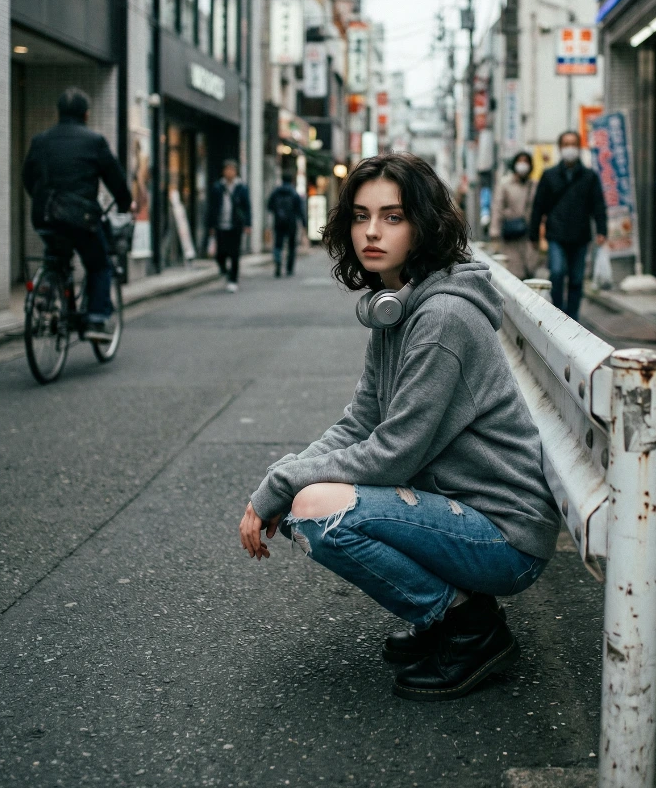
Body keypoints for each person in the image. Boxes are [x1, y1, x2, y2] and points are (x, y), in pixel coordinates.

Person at [240, 153, 560, 702]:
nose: (371, 231)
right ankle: (449, 617)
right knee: (307, 496)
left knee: (319, 512)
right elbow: (360, 420)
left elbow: (393, 454)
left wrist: (284, 484)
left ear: (423, 224)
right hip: (464, 508)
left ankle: (469, 625)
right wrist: (287, 474)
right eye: (361, 216)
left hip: (506, 535)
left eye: (392, 217)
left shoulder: (440, 319)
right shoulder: (399, 306)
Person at [22, 87, 134, 341]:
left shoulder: (40, 140)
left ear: (59, 112)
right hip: (80, 218)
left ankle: (48, 292)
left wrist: (42, 201)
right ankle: (96, 318)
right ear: (86, 115)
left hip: (45, 215)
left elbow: (28, 177)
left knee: (56, 255)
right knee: (99, 264)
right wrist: (125, 204)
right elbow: (115, 179)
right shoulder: (94, 142)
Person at [529, 130, 607, 322]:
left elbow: (598, 205)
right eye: (566, 144)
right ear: (560, 148)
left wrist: (602, 230)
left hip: (580, 235)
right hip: (556, 234)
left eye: (573, 144)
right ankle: (557, 313)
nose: (569, 148)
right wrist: (533, 233)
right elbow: (538, 206)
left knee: (577, 279)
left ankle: (572, 319)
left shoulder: (589, 176)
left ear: (578, 148)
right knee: (556, 272)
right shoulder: (549, 176)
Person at [489, 150, 539, 280]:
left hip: (529, 233)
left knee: (530, 266)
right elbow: (497, 208)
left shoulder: (534, 185)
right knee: (513, 269)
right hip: (510, 232)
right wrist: (494, 231)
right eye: (520, 162)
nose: (523, 165)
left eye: (526, 162)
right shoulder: (505, 184)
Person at [207, 159, 251, 293]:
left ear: (236, 171)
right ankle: (225, 271)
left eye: (231, 169)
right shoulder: (217, 187)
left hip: (235, 225)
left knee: (235, 253)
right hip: (220, 225)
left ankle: (233, 280)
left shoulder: (241, 187)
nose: (229, 172)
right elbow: (212, 208)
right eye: (227, 169)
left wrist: (248, 224)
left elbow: (247, 207)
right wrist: (211, 225)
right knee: (220, 254)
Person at [267, 172, 307, 277]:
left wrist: (277, 213)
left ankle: (278, 263)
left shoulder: (276, 192)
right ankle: (289, 268)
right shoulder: (294, 193)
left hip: (278, 222)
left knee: (278, 245)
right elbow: (300, 210)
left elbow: (269, 206)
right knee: (291, 246)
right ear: (291, 181)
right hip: (291, 223)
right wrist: (304, 225)